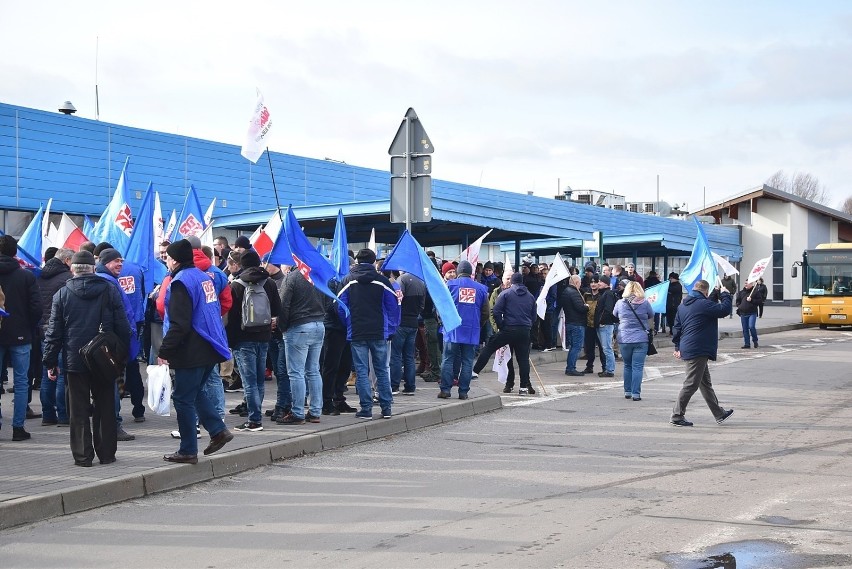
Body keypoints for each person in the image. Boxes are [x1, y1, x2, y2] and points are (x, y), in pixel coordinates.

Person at [43, 250, 131, 466]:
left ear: (72, 269)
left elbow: (54, 333)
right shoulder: (109, 290)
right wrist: (121, 357)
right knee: (105, 406)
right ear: (93, 268)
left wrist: (50, 361)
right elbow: (123, 326)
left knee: (78, 409)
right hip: (103, 358)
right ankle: (107, 453)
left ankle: (83, 456)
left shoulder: (62, 295)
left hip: (75, 360)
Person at [158, 240, 234, 463]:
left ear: (173, 260)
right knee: (195, 392)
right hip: (209, 345)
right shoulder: (204, 276)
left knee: (182, 398)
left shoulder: (181, 282)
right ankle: (218, 430)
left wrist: (164, 350)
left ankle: (188, 449)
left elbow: (180, 323)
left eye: (167, 258)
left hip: (191, 348)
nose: (167, 262)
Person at [337, 248, 400, 420]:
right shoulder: (382, 281)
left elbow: (341, 308)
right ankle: (386, 408)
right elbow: (393, 308)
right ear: (373, 262)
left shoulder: (347, 281)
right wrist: (391, 329)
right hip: (379, 331)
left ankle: (366, 409)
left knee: (362, 371)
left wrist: (348, 325)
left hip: (357, 332)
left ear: (356, 261)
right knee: (381, 369)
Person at [225, 250, 281, 432]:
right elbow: (276, 310)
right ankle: (256, 416)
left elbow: (231, 317)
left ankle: (254, 419)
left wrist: (230, 341)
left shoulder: (236, 285)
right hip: (264, 336)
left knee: (248, 381)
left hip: (243, 338)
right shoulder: (270, 283)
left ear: (241, 264)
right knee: (258, 380)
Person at [670, 279, 734, 427]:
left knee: (705, 383)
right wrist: (725, 295)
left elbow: (677, 328)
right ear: (705, 291)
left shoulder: (684, 305)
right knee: (691, 384)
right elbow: (723, 310)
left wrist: (677, 347)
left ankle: (719, 413)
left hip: (690, 346)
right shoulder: (703, 305)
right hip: (698, 349)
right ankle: (677, 415)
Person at [0, 235, 42, 440]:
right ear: (15, 252)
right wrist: (29, 326)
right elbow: (36, 308)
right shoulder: (26, 276)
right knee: (21, 381)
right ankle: (18, 428)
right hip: (21, 334)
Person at [276, 261, 326, 425]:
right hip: (319, 324)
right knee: (313, 370)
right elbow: (328, 300)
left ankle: (298, 412)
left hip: (298, 326)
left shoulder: (292, 278)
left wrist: (282, 327)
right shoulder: (318, 276)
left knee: (296, 372)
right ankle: (315, 411)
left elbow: (283, 305)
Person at [473, 272, 537, 395]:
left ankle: (475, 371)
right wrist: (527, 325)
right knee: (523, 359)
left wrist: (502, 325)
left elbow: (496, 311)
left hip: (509, 329)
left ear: (511, 282)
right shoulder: (530, 296)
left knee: (490, 346)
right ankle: (523, 387)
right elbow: (533, 317)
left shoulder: (506, 294)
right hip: (524, 330)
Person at [437, 261, 488, 400]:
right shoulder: (482, 288)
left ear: (458, 272)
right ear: (471, 272)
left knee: (448, 359)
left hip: (452, 329)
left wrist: (443, 322)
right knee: (467, 361)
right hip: (472, 330)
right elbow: (485, 313)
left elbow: (441, 307)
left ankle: (445, 390)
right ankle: (463, 392)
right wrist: (478, 325)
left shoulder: (449, 285)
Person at [37, 247, 72, 426]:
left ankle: (47, 415)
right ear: (66, 261)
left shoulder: (40, 276)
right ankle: (64, 415)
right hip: (61, 331)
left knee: (47, 373)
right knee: (61, 374)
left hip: (44, 331)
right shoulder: (67, 279)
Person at [613, 281, 654, 401]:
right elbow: (651, 315)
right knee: (637, 366)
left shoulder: (620, 303)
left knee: (627, 365)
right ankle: (636, 394)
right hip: (641, 338)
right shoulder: (645, 303)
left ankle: (627, 391)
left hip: (624, 338)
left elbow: (614, 314)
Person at [390, 270, 426, 395]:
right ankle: (410, 386)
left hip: (401, 322)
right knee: (409, 356)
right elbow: (422, 305)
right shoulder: (421, 282)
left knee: (395, 355)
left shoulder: (402, 279)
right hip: (413, 322)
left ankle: (394, 386)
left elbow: (397, 300)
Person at [559, 274, 588, 377]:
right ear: (576, 282)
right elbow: (580, 308)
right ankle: (571, 368)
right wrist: (586, 307)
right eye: (579, 283)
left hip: (569, 322)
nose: (580, 285)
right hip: (577, 323)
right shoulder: (574, 293)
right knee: (576, 347)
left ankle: (570, 367)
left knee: (572, 346)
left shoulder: (565, 292)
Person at [593, 277, 618, 378]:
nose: (598, 283)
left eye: (600, 282)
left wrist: (601, 321)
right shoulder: (604, 293)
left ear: (607, 284)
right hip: (603, 324)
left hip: (605, 324)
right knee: (605, 348)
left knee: (607, 348)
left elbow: (608, 309)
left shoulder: (608, 294)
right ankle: (608, 369)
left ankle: (610, 370)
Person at [735, 280, 763, 349]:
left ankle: (755, 340)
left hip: (752, 313)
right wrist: (739, 306)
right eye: (745, 283)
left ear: (751, 284)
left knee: (751, 326)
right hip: (743, 313)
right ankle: (747, 343)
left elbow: (759, 301)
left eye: (747, 283)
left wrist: (752, 300)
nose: (745, 285)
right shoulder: (741, 292)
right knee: (745, 329)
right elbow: (738, 301)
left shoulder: (755, 292)